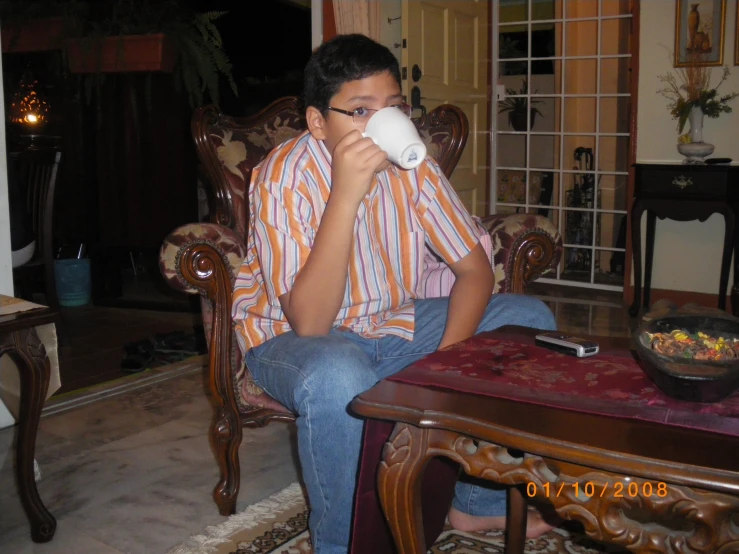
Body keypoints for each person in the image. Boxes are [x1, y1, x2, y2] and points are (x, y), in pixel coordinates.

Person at [232, 34, 558, 554]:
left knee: (526, 318)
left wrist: (447, 368)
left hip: (392, 322)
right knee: (338, 370)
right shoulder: (282, 176)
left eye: (393, 108)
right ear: (319, 122)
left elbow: (474, 270)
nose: (382, 125)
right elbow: (311, 324)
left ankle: (475, 504)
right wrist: (347, 192)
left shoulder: (413, 165)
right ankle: (340, 546)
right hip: (289, 340)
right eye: (360, 111)